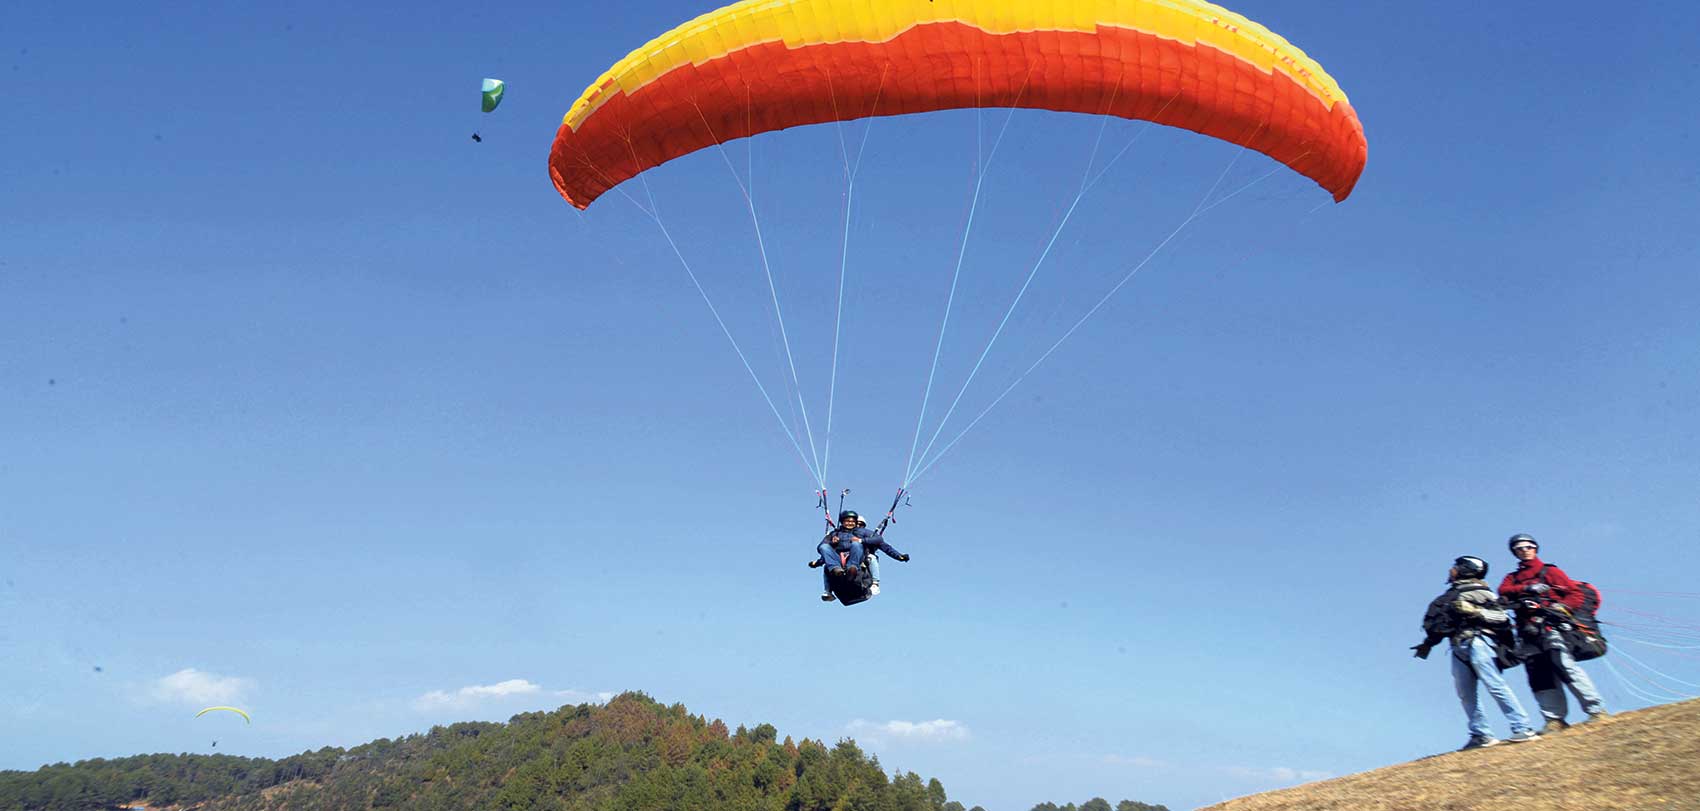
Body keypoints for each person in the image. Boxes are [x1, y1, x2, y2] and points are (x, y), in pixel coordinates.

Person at [1412, 555, 1540, 750]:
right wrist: (1428, 644)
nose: (1451, 570)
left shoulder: (1481, 593)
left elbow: (1501, 617)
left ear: (1466, 569)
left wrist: (1474, 611)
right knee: (1465, 693)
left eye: (1456, 566)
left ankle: (1523, 727)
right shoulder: (1451, 595)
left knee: (1494, 685)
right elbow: (1443, 623)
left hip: (1478, 642)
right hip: (1458, 646)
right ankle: (1481, 734)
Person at [1498, 533, 1608, 733]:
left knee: (1564, 665)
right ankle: (1554, 720)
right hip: (1527, 632)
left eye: (1528, 547)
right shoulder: (1511, 578)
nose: (1524, 550)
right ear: (1514, 552)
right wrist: (1527, 588)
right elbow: (1503, 591)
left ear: (1535, 548)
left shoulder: (1550, 571)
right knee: (1539, 675)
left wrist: (1561, 607)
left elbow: (1576, 593)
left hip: (1550, 626)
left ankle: (1595, 710)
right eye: (1519, 548)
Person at [849, 514, 909, 595]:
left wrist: (899, 556)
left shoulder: (869, 536)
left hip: (863, 559)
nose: (858, 525)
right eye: (857, 523)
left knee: (871, 558)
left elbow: (886, 547)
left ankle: (875, 584)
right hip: (848, 559)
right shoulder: (844, 534)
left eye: (861, 524)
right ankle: (828, 590)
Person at [814, 511, 867, 602]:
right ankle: (834, 577)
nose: (858, 526)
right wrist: (818, 562)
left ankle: (873, 581)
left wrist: (863, 541)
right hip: (839, 559)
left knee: (868, 556)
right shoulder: (836, 534)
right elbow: (824, 551)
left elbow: (879, 541)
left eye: (860, 524)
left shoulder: (864, 534)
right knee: (827, 565)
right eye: (847, 521)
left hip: (856, 558)